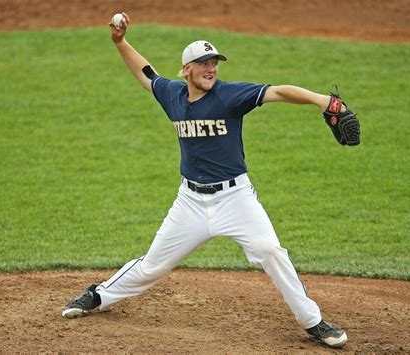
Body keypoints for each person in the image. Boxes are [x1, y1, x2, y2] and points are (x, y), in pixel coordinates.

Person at [62, 12, 348, 348]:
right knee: (153, 265)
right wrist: (119, 41)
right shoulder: (172, 95)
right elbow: (145, 72)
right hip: (190, 202)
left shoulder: (230, 96)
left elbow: (278, 92)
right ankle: (99, 295)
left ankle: (314, 322)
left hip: (235, 199)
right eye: (202, 63)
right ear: (186, 70)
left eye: (214, 63)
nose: (210, 69)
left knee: (270, 250)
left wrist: (320, 101)